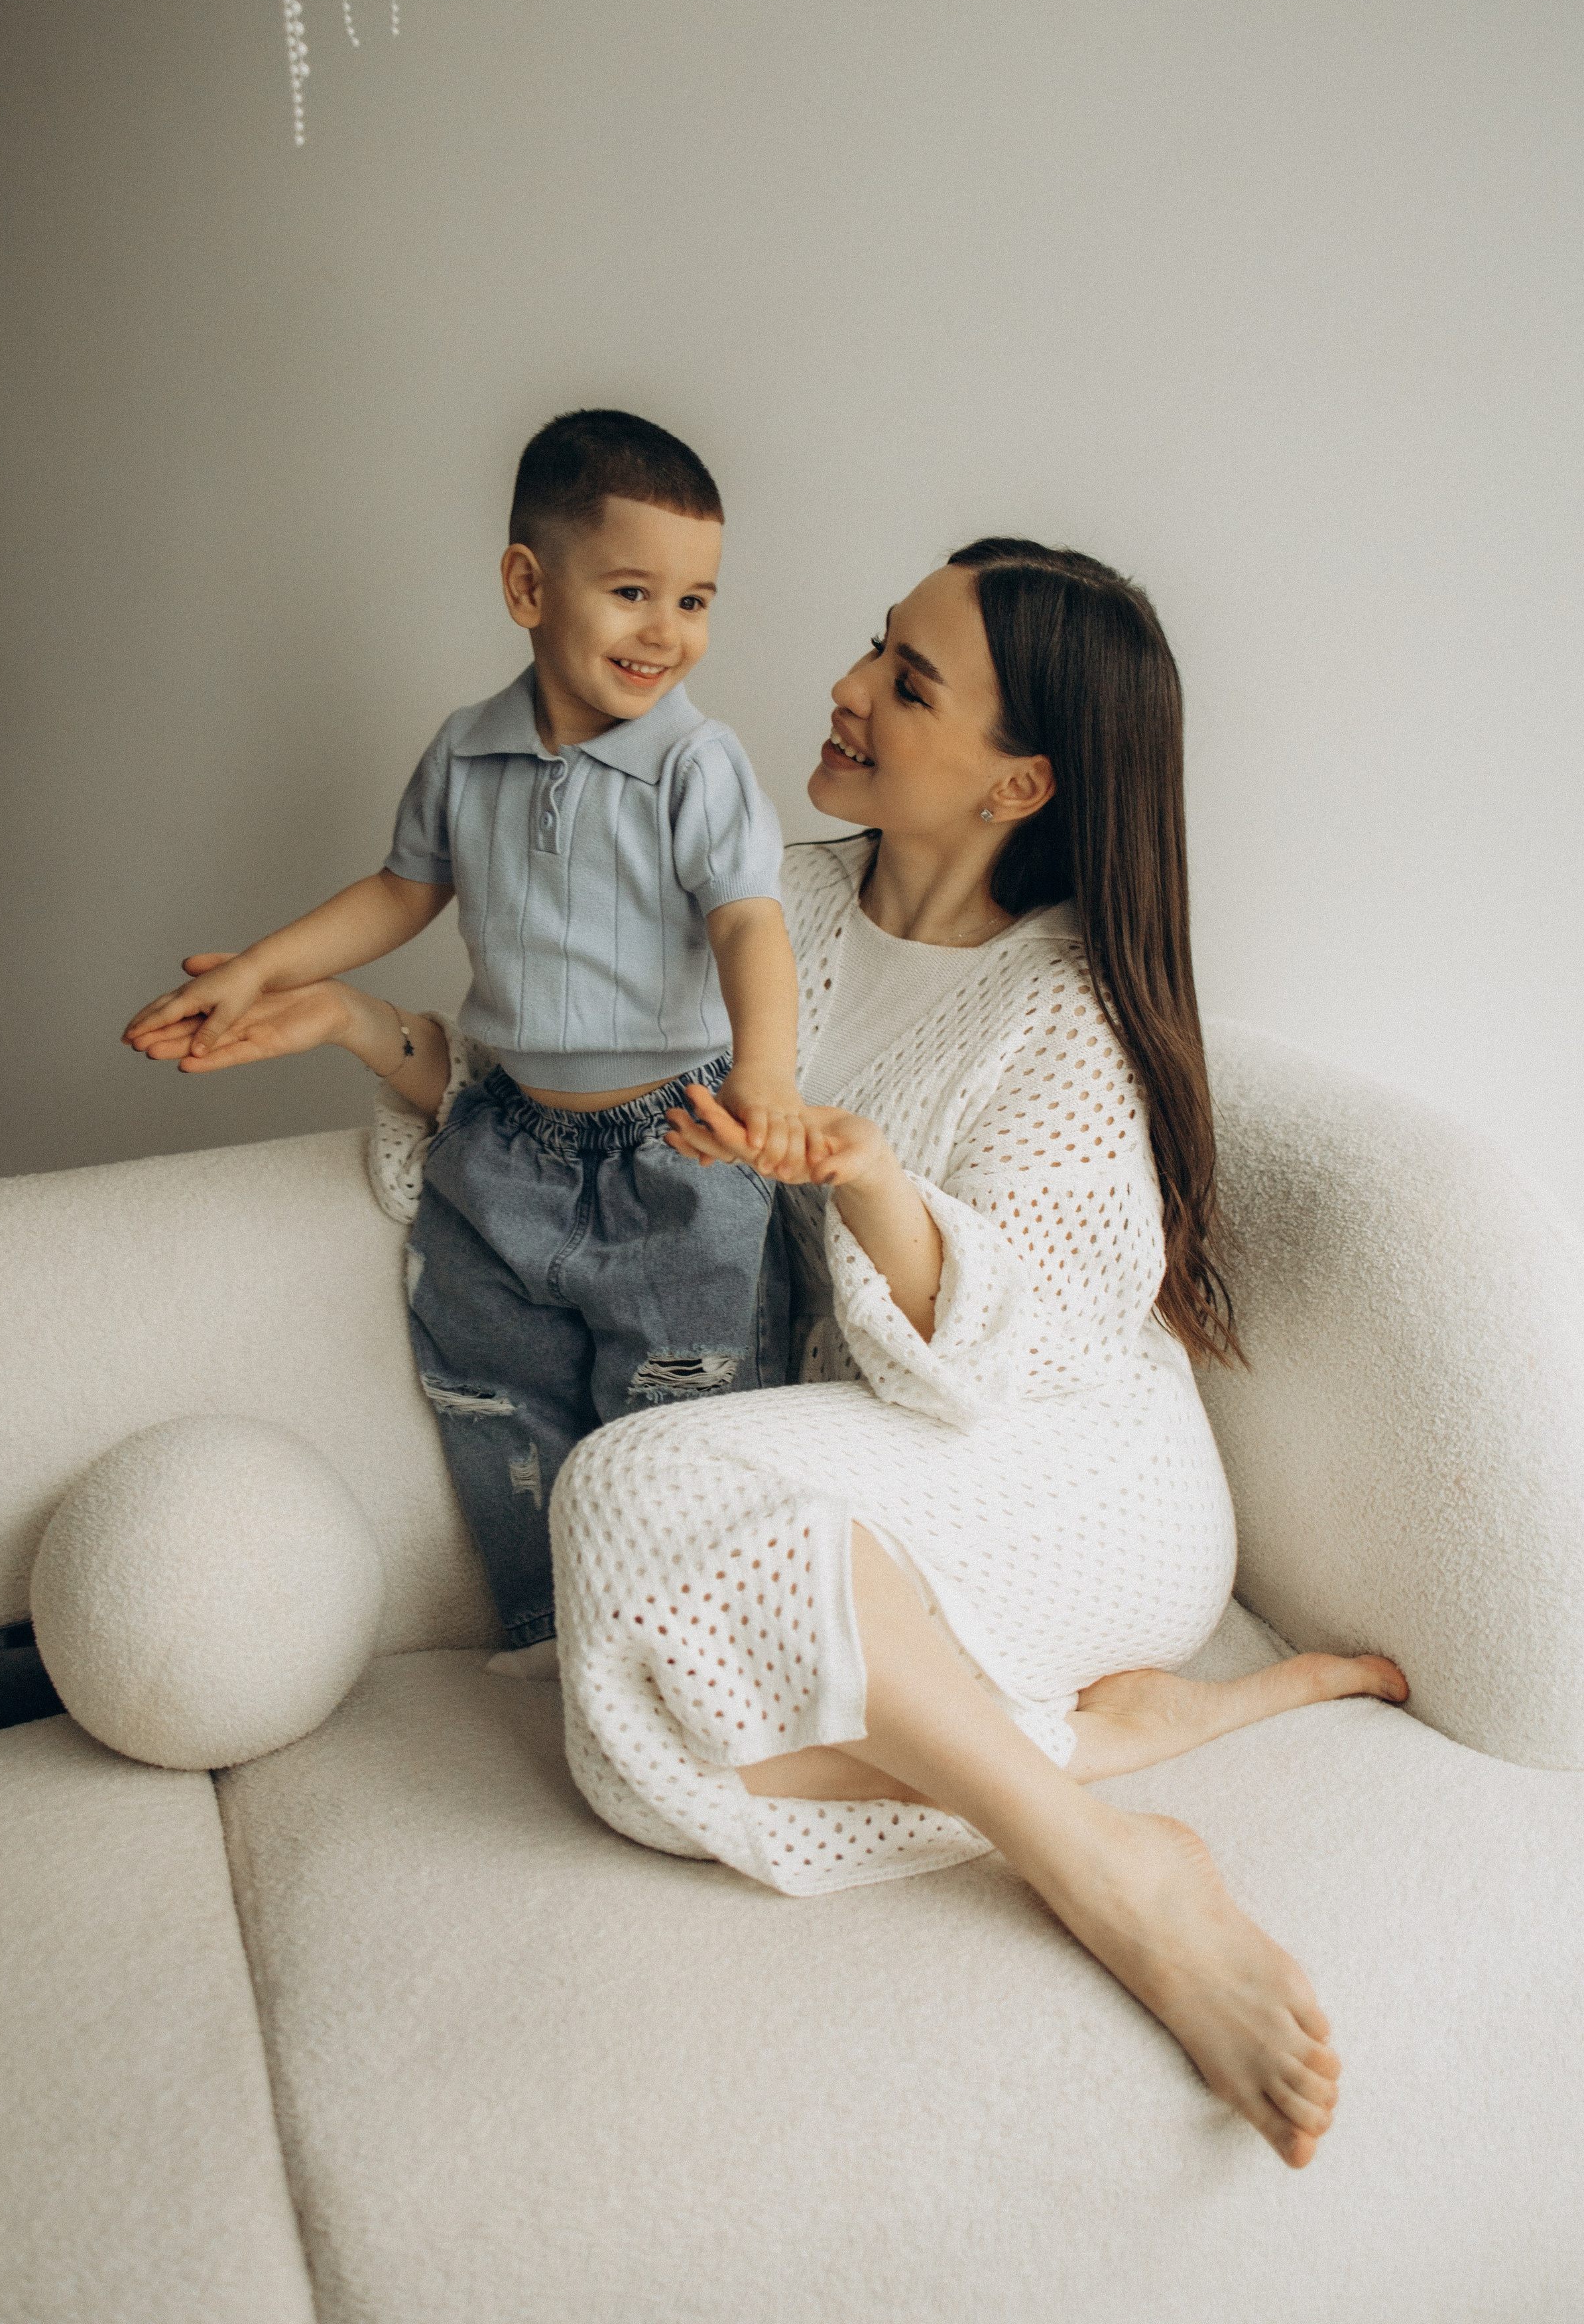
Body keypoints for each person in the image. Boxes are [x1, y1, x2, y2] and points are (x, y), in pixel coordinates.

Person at [540, 538, 1408, 2169]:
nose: (846, 688)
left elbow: (1010, 1354)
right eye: (876, 647)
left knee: (623, 1492)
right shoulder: (779, 902)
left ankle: (1106, 1872)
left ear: (1020, 784)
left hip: (1075, 1480)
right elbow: (572, 1079)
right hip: (872, 1486)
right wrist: (365, 1040)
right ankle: (1090, 1745)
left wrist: (869, 1175)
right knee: (619, 1739)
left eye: (906, 682)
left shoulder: (1061, 1013)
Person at [123, 409, 806, 1660]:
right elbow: (400, 890)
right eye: (633, 591)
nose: (668, 632)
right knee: (494, 1387)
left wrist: (764, 1074)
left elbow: (751, 925)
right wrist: (265, 967)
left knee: (679, 1409)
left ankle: (702, 1650)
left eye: (697, 601)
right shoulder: (467, 752)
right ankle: (557, 1639)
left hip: (678, 1151)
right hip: (505, 1144)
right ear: (527, 585)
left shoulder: (696, 768)